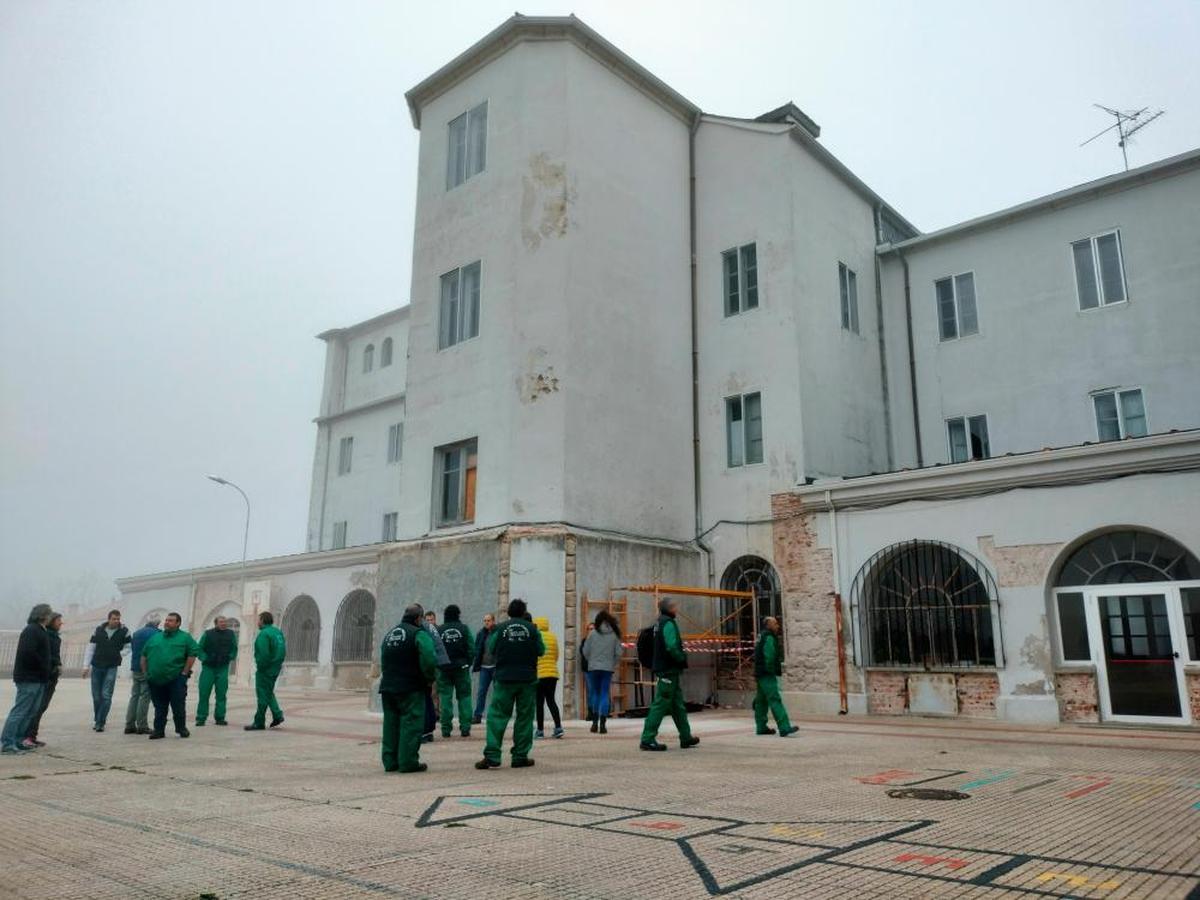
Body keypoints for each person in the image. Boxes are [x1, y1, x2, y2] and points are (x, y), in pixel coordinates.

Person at [475, 598, 544, 770]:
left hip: (504, 678)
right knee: (524, 718)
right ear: (523, 612)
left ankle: (492, 756)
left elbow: (490, 647)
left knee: (497, 717)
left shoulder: (500, 629)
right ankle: (519, 756)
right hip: (527, 680)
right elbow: (541, 650)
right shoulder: (532, 629)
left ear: (509, 612)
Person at [379, 604, 437, 772]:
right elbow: (429, 659)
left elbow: (383, 659)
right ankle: (407, 762)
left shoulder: (390, 634)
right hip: (410, 688)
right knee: (411, 724)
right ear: (419, 618)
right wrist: (429, 679)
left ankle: (390, 762)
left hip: (388, 687)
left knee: (391, 724)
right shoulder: (418, 634)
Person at [639, 597, 699, 752]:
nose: (677, 608)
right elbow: (671, 646)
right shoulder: (668, 623)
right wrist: (681, 658)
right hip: (668, 670)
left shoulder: (659, 622)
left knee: (678, 706)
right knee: (660, 704)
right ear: (670, 608)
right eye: (675, 606)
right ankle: (647, 738)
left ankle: (686, 737)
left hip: (668, 670)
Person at [1, 604, 52, 754]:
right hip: (29, 678)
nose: (50, 617)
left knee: (31, 711)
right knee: (21, 710)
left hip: (38, 678)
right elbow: (28, 653)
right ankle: (7, 743)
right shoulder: (32, 630)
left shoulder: (41, 630)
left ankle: (18, 740)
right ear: (43, 615)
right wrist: (43, 666)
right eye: (49, 614)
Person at [141, 612, 200, 740]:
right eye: (166, 620)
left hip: (176, 679)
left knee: (178, 705)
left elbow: (193, 653)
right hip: (155, 679)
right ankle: (158, 730)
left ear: (178, 623)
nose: (167, 622)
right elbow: (144, 655)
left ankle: (181, 728)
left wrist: (185, 672)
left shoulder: (185, 638)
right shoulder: (155, 637)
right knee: (159, 707)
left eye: (171, 620)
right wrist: (146, 673)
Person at [82, 609, 130, 732]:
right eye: (114, 618)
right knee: (96, 696)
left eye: (118, 619)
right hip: (97, 666)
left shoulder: (124, 631)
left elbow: (129, 647)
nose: (116, 621)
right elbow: (91, 648)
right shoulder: (98, 630)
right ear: (108, 619)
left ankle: (100, 722)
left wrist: (119, 654)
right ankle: (98, 717)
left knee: (106, 695)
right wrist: (86, 666)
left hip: (112, 667)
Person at [23, 611, 63, 749]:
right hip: (46, 675)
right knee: (37, 707)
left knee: (42, 707)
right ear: (52, 621)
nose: (61, 623)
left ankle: (32, 735)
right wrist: (56, 664)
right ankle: (28, 736)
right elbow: (45, 655)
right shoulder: (47, 636)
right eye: (58, 621)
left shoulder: (56, 637)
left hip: (52, 675)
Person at [754, 617, 799, 737]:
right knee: (774, 699)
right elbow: (769, 655)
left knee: (761, 701)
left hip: (759, 673)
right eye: (775, 623)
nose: (778, 626)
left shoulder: (761, 636)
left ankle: (761, 727)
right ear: (768, 625)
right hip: (766, 673)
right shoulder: (769, 637)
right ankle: (784, 727)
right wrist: (771, 671)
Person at [436, 605, 474, 737]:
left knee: (445, 698)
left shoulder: (439, 630)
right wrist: (468, 663)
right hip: (461, 667)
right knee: (464, 697)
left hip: (444, 668)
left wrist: (439, 664)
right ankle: (465, 727)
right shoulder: (464, 629)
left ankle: (446, 729)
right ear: (458, 614)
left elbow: (435, 649)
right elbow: (471, 648)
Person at [245, 611, 287, 730]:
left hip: (266, 669)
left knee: (262, 694)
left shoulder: (263, 634)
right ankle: (277, 714)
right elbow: (283, 650)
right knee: (268, 692)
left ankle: (259, 722)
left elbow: (263, 654)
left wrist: (261, 667)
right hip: (275, 667)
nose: (257, 622)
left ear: (263, 621)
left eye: (259, 619)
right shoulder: (277, 632)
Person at [582, 611, 620, 735]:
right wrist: (612, 663)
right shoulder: (614, 635)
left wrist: (591, 661)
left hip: (593, 668)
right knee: (604, 693)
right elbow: (619, 653)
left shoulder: (592, 634)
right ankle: (603, 724)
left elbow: (585, 651)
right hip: (607, 668)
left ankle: (594, 723)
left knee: (595, 693)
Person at [195, 615, 237, 727]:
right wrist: (204, 658)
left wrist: (230, 657)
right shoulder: (208, 634)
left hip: (223, 668)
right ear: (216, 623)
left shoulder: (231, 634)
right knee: (204, 693)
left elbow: (234, 648)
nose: (224, 623)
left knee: (221, 693)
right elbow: (199, 648)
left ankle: (220, 717)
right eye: (221, 622)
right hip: (208, 667)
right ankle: (201, 718)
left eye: (225, 622)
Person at [124, 613, 161, 735]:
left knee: (134, 696)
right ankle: (142, 725)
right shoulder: (158, 634)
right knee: (145, 697)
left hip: (135, 667)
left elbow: (133, 649)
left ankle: (129, 725)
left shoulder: (137, 633)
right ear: (157, 623)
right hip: (148, 668)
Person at [420, 611, 451, 743]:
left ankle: (436, 719)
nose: (430, 621)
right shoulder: (429, 630)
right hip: (433, 668)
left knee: (436, 694)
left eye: (432, 619)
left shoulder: (431, 631)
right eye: (428, 619)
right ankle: (432, 724)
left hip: (434, 668)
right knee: (431, 694)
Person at [532, 616, 563, 739]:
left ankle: (540, 731)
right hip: (552, 674)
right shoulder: (553, 637)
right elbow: (556, 655)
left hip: (539, 674)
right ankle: (558, 727)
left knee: (539, 703)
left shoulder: (535, 637)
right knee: (551, 701)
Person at [471, 612, 497, 725]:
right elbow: (476, 649)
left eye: (489, 620)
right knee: (481, 692)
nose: (486, 622)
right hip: (484, 668)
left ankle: (496, 715)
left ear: (493, 621)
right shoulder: (481, 634)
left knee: (497, 692)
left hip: (496, 667)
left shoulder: (497, 633)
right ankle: (478, 715)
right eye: (485, 621)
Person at [580, 621, 595, 721]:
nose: (591, 631)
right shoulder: (584, 641)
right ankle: (590, 713)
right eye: (589, 629)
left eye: (593, 629)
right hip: (588, 670)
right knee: (590, 691)